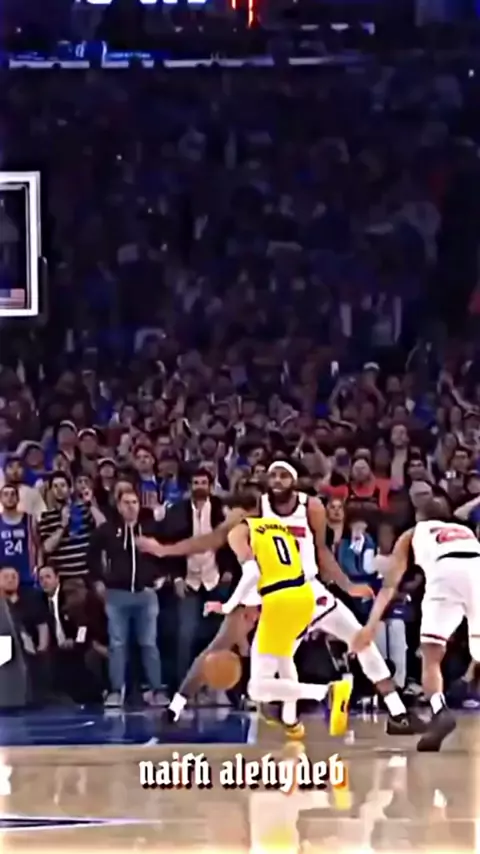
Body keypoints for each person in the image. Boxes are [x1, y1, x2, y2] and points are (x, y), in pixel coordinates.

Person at [261, 461, 425, 736]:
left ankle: (398, 713)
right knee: (272, 674)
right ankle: (298, 711)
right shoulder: (259, 507)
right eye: (273, 475)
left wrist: (348, 586)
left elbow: (322, 551)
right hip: (280, 598)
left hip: (310, 590)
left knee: (361, 640)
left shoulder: (310, 506)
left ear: (294, 480)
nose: (277, 480)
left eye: (283, 475)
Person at [351, 496, 480, 751]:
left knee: (431, 654)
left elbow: (390, 585)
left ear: (419, 517)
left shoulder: (413, 533)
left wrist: (370, 625)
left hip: (444, 575)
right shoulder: (465, 532)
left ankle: (439, 709)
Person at [88, 488, 167, 707]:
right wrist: (97, 580)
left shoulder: (150, 528)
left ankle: (156, 689)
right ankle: (116, 690)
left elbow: (165, 553)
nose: (131, 506)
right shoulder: (107, 530)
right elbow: (91, 557)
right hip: (116, 595)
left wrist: (162, 576)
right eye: (126, 502)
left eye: (134, 502)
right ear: (119, 506)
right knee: (117, 645)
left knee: (149, 644)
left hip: (146, 595)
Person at [0, 484, 38, 586]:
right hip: (3, 574)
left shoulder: (29, 519)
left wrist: (37, 567)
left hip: (26, 574)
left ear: (18, 498)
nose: (9, 497)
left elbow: (37, 546)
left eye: (12, 494)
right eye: (6, 494)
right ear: (1, 499)